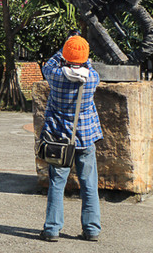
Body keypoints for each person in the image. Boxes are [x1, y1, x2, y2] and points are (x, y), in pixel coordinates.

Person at [39, 35, 103, 242]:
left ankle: (52, 229)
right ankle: (92, 229)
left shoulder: (55, 75)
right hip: (85, 137)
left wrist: (65, 46)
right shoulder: (92, 77)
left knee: (57, 183)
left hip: (59, 140)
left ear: (65, 56)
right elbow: (88, 64)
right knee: (89, 183)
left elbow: (49, 63)